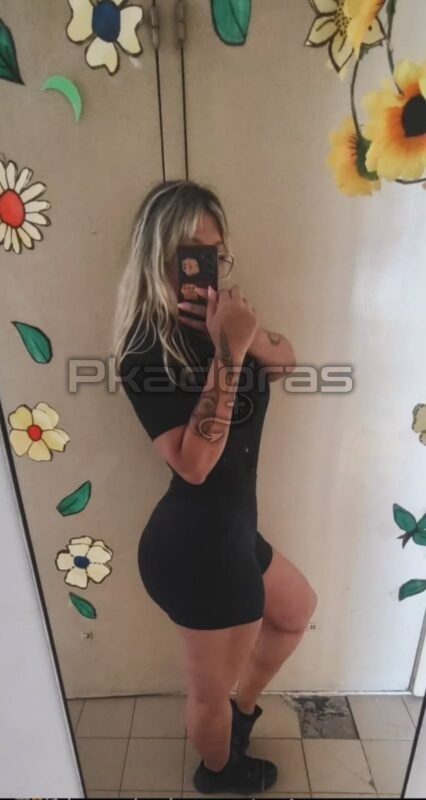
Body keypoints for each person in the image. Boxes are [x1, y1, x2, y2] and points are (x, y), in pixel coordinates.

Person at [112, 180, 318, 795]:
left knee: (295, 610)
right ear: (160, 256)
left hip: (230, 531)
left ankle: (241, 716)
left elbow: (286, 360)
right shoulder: (144, 352)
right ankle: (219, 771)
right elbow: (195, 464)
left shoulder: (223, 320)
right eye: (192, 254)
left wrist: (241, 330)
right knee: (207, 692)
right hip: (196, 549)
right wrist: (229, 349)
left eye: (216, 254)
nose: (206, 269)